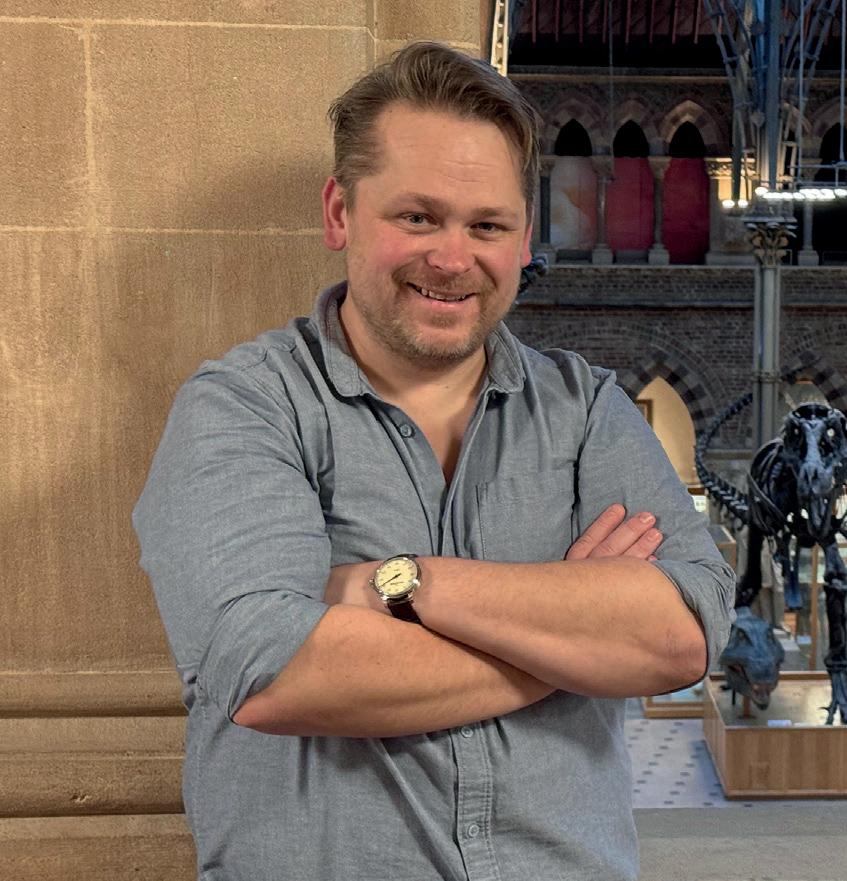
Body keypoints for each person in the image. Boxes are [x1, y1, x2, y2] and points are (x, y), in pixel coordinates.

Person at [133, 41, 734, 881]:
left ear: (524, 239)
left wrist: (406, 584)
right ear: (340, 213)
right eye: (417, 217)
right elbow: (273, 673)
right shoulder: (242, 409)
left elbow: (682, 633)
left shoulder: (589, 411)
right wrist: (567, 639)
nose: (453, 259)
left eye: (487, 225)